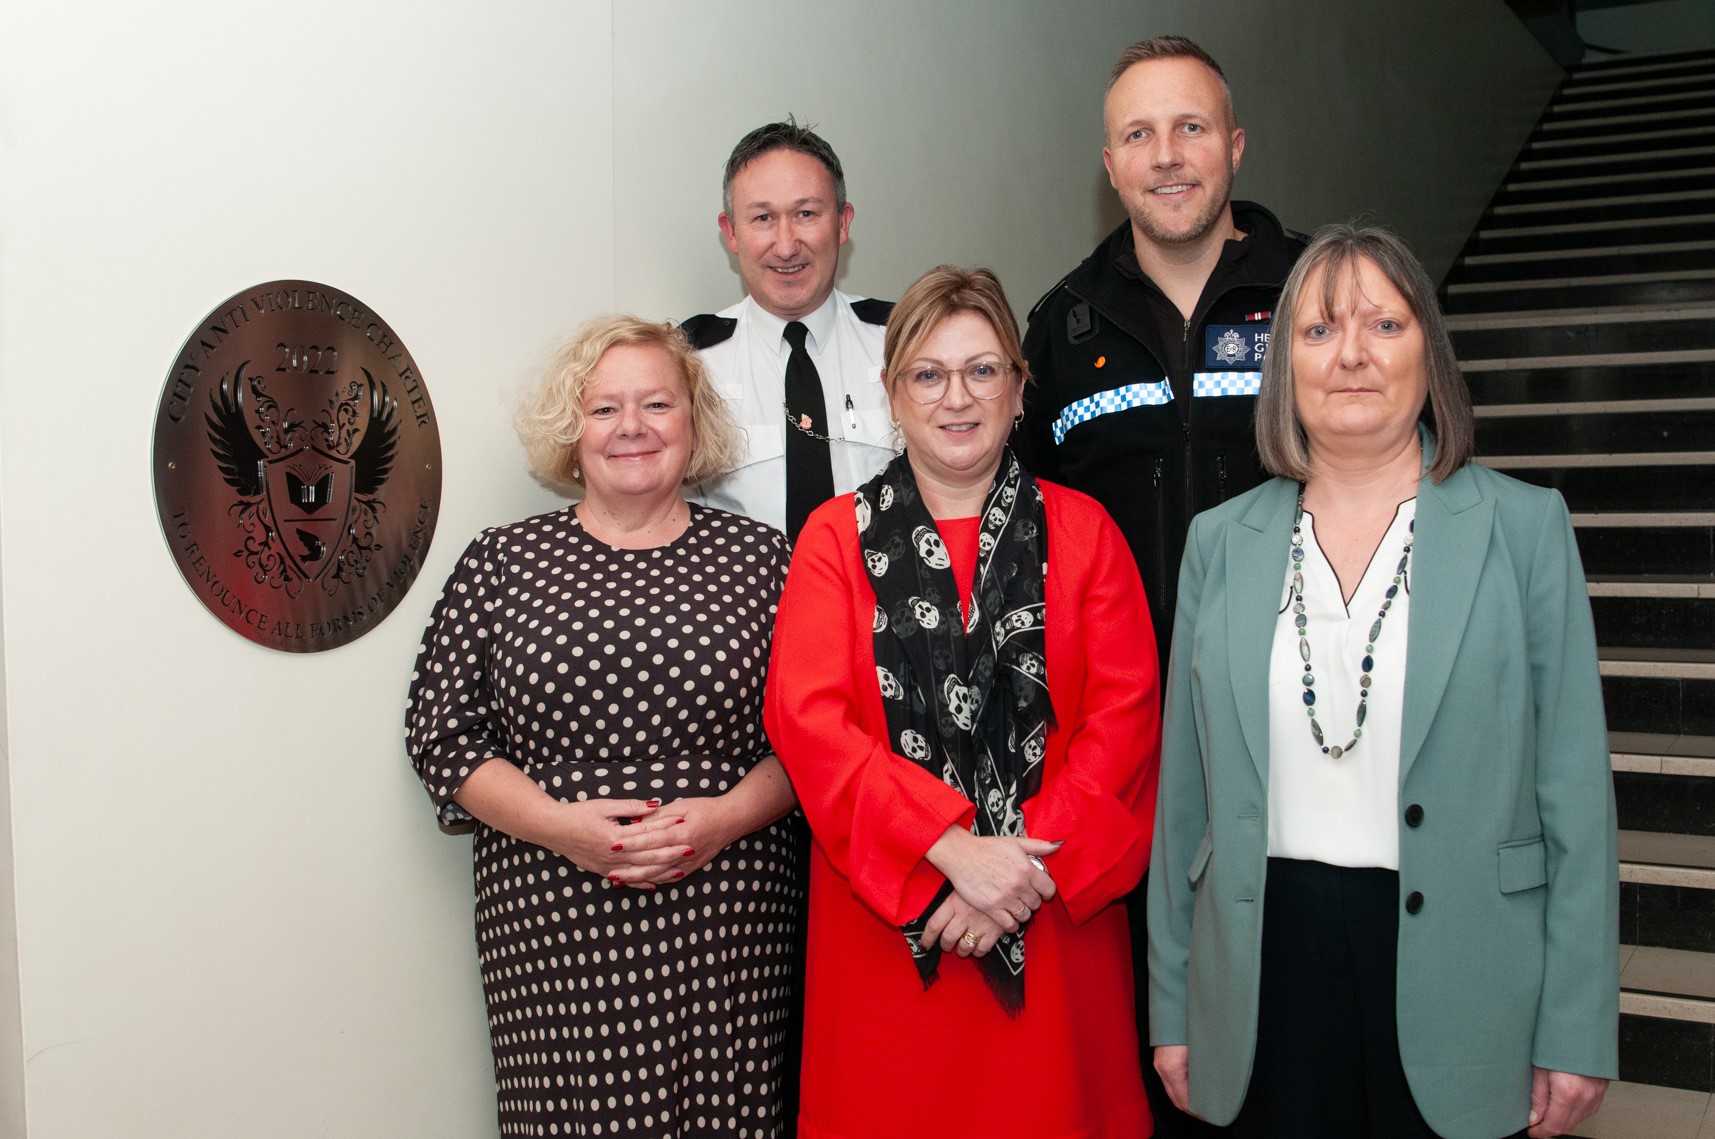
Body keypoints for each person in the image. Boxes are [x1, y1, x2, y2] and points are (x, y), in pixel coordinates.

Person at [1147, 225, 1617, 1139]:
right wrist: (1173, 1004)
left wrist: (1576, 1023)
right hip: (1262, 972)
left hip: (1467, 974)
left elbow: (1575, 799)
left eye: (1384, 325)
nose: (1351, 354)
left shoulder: (1523, 529)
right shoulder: (1219, 541)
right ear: (1283, 368)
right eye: (1318, 331)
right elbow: (1183, 802)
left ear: (1427, 355)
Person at [766, 265, 1161, 1138]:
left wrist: (1013, 876)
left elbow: (1124, 726)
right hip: (891, 930)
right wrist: (947, 850)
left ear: (1019, 390)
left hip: (1050, 921)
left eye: (983, 370)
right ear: (891, 394)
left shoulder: (1087, 532)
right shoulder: (831, 540)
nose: (957, 397)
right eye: (928, 373)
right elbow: (810, 725)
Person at [405, 316, 802, 1137]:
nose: (632, 426)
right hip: (554, 931)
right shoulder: (500, 561)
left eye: (657, 403)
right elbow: (442, 734)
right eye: (604, 408)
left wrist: (724, 818)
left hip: (730, 926)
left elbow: (818, 733)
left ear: (693, 422)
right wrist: (560, 828)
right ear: (571, 428)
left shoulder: (767, 560)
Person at [1014, 36, 1307, 1134]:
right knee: (1158, 1026)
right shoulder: (1060, 325)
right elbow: (1023, 535)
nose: (1167, 154)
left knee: (1300, 1001)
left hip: (1303, 714)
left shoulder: (1319, 295)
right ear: (1109, 164)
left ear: (1233, 145)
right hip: (1125, 737)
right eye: (1138, 134)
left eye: (1190, 127)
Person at [683, 118, 895, 543]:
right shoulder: (689, 364)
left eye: (806, 214)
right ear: (731, 233)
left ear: (843, 223)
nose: (785, 246)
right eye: (763, 217)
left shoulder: (903, 343)